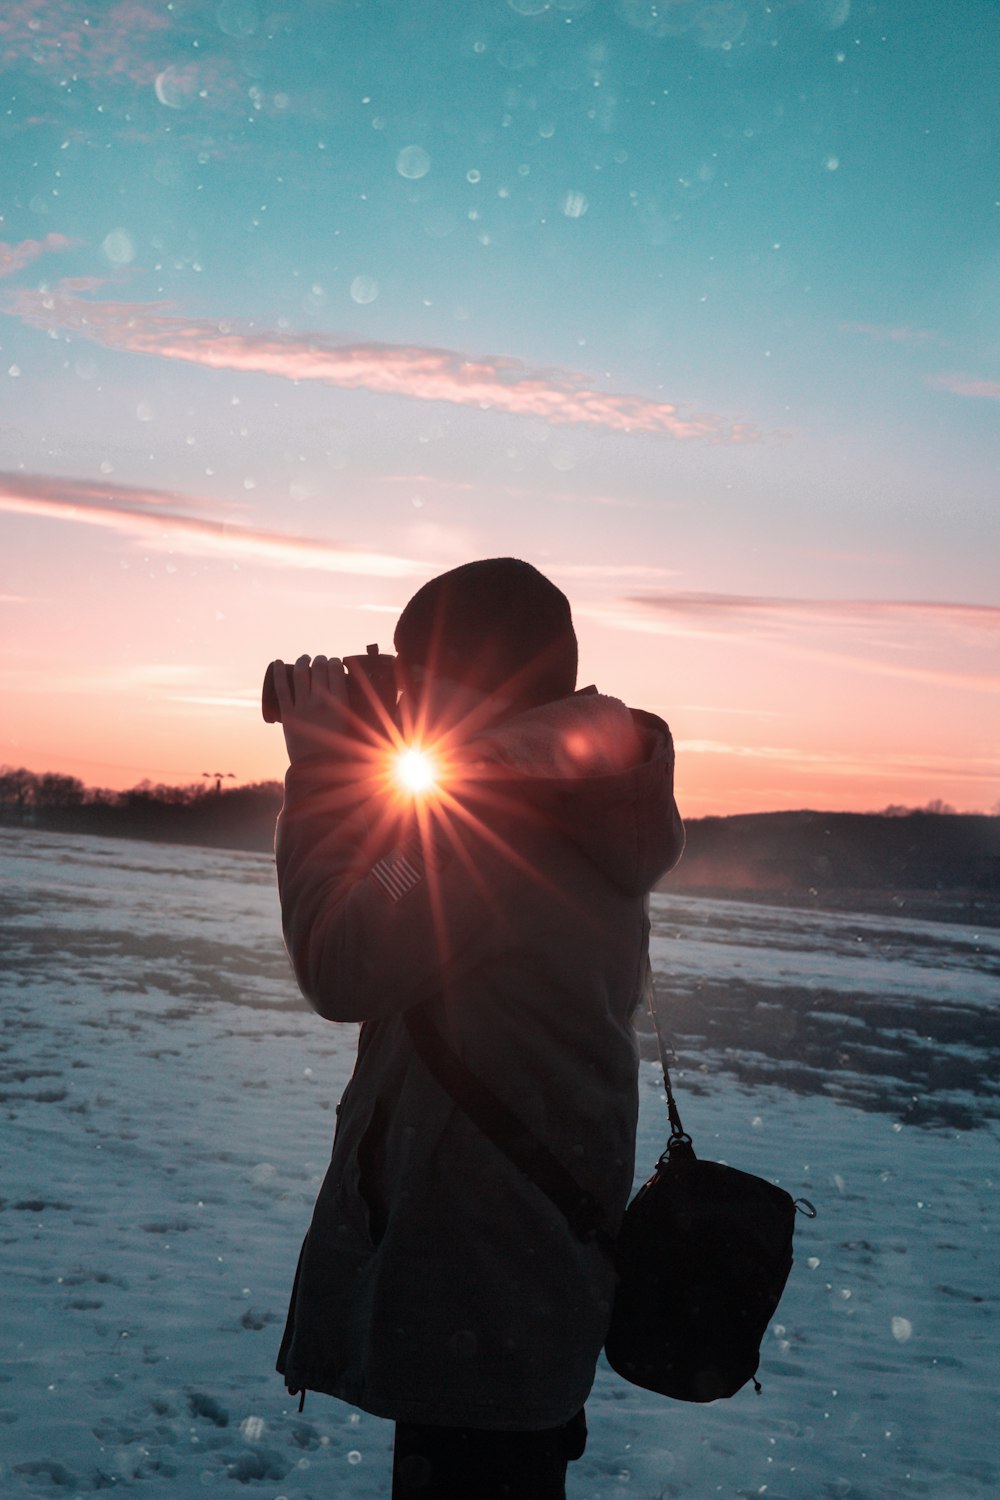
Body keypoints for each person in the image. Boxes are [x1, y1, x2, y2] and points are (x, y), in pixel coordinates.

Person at [271, 558, 684, 1499]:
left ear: (470, 685)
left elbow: (343, 963)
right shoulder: (563, 802)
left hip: (477, 1275)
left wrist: (326, 769)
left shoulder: (490, 829)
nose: (403, 697)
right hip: (526, 1272)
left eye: (415, 676)